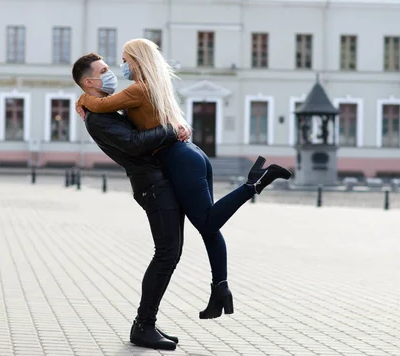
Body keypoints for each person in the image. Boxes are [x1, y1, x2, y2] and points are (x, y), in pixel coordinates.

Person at [75, 39, 292, 320]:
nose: (121, 67)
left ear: (138, 62)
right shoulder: (154, 86)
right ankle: (220, 289)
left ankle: (255, 183)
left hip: (178, 159)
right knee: (209, 229)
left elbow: (101, 105)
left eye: (125, 60)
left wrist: (82, 99)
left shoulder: (138, 89)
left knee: (209, 222)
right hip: (191, 155)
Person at [72, 53, 191, 351]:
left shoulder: (104, 110)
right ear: (90, 82)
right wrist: (170, 131)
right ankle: (143, 326)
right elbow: (135, 144)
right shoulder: (98, 118)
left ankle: (146, 323)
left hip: (156, 182)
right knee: (166, 253)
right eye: (104, 70)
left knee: (171, 253)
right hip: (151, 186)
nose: (111, 73)